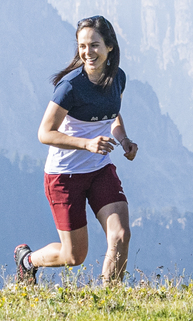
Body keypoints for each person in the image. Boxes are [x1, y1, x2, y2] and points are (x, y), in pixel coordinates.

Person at [16, 16, 137, 286]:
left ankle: (110, 302)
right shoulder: (70, 86)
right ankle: (27, 261)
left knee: (120, 235)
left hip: (100, 169)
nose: (87, 52)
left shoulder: (117, 78)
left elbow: (112, 114)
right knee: (74, 256)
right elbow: (44, 133)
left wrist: (124, 139)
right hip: (65, 175)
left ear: (110, 48)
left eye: (94, 45)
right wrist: (87, 144)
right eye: (82, 46)